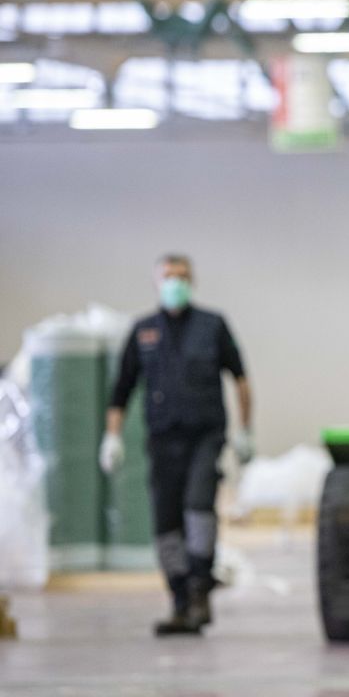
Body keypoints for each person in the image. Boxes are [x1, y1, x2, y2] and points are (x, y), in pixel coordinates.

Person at [100, 254, 253, 636]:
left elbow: (241, 378)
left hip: (204, 435)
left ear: (193, 280)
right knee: (166, 522)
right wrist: (112, 436)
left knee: (199, 508)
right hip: (162, 440)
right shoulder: (143, 332)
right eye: (168, 276)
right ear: (156, 281)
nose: (175, 283)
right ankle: (180, 600)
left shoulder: (212, 326)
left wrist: (245, 430)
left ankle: (201, 589)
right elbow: (121, 391)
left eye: (182, 276)